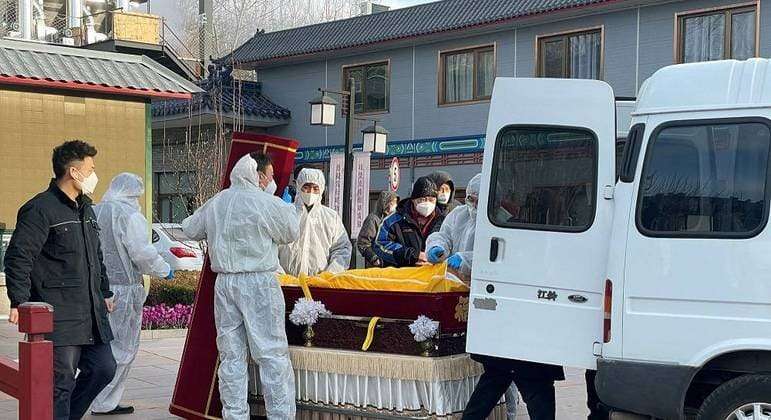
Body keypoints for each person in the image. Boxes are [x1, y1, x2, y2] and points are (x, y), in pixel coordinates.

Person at [4, 140, 117, 420]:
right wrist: (19, 301)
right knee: (61, 384)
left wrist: (104, 291)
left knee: (104, 368)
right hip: (60, 314)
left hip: (90, 313)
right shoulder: (40, 209)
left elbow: (96, 256)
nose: (94, 174)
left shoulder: (86, 209)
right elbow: (19, 257)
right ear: (73, 171)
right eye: (90, 168)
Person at [181, 153, 300, 420]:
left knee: (231, 356)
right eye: (269, 176)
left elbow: (190, 228)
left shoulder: (218, 201)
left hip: (225, 284)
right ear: (258, 175)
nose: (270, 182)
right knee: (271, 355)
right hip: (259, 282)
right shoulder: (266, 202)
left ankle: (235, 416)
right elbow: (291, 232)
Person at [425, 174, 520, 419]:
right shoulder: (458, 215)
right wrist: (438, 248)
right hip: (458, 291)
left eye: (478, 200)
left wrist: (466, 259)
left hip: (489, 297)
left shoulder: (501, 220)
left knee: (498, 363)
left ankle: (509, 410)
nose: (472, 204)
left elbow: (499, 254)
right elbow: (442, 235)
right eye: (469, 198)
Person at [90, 173, 173, 416]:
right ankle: (105, 402)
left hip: (97, 288)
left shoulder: (95, 211)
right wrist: (164, 269)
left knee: (99, 345)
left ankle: (94, 396)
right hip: (123, 291)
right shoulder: (129, 216)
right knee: (122, 347)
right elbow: (142, 253)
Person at [278, 168, 352, 276]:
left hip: (319, 285)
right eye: (306, 187)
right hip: (288, 283)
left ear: (321, 189)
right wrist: (280, 276)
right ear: (299, 187)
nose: (311, 192)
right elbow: (271, 247)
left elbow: (342, 248)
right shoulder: (285, 213)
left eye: (315, 188)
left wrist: (329, 274)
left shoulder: (330, 217)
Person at [374, 176, 444, 267]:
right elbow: (380, 245)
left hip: (434, 276)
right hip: (403, 276)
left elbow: (451, 246)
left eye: (431, 200)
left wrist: (437, 258)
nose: (427, 203)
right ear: (413, 200)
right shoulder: (394, 221)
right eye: (422, 199)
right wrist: (411, 255)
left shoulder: (443, 221)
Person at [357, 191, 398, 268]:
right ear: (385, 203)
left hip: (392, 265)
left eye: (396, 203)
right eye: (393, 203)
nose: (395, 206)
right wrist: (374, 258)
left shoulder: (393, 220)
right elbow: (363, 243)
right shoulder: (373, 219)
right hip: (377, 266)